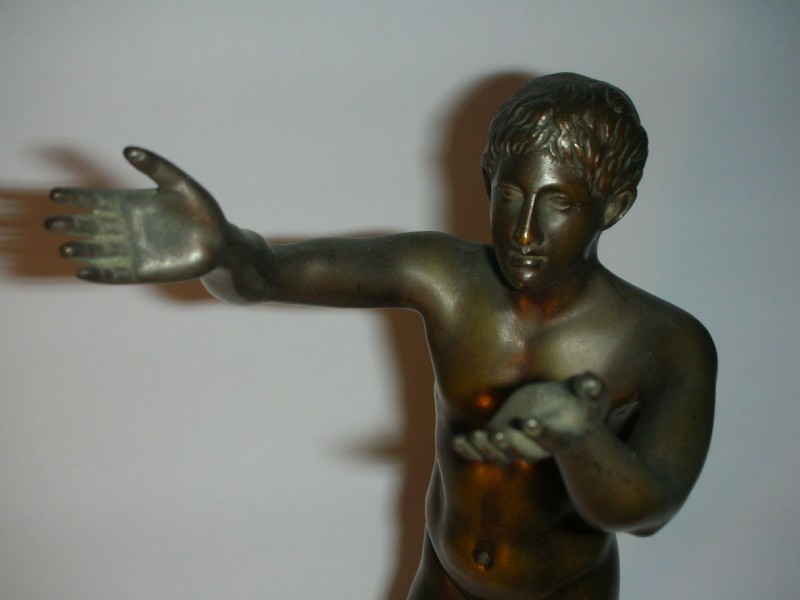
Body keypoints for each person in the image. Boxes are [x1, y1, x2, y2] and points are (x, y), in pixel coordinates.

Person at [46, 73, 716, 600]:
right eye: (511, 194)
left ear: (614, 205)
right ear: (488, 180)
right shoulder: (445, 279)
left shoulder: (664, 343)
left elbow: (649, 510)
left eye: (559, 203)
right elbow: (267, 274)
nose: (523, 231)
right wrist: (224, 251)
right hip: (444, 578)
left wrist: (580, 439)